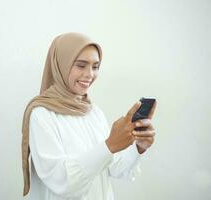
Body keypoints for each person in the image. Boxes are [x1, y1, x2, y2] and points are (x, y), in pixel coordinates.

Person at [21, 32, 156, 200]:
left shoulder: (93, 112)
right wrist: (109, 145)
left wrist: (139, 147)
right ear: (60, 64)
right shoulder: (42, 114)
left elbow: (112, 168)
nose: (89, 74)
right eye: (81, 65)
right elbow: (61, 181)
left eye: (95, 66)